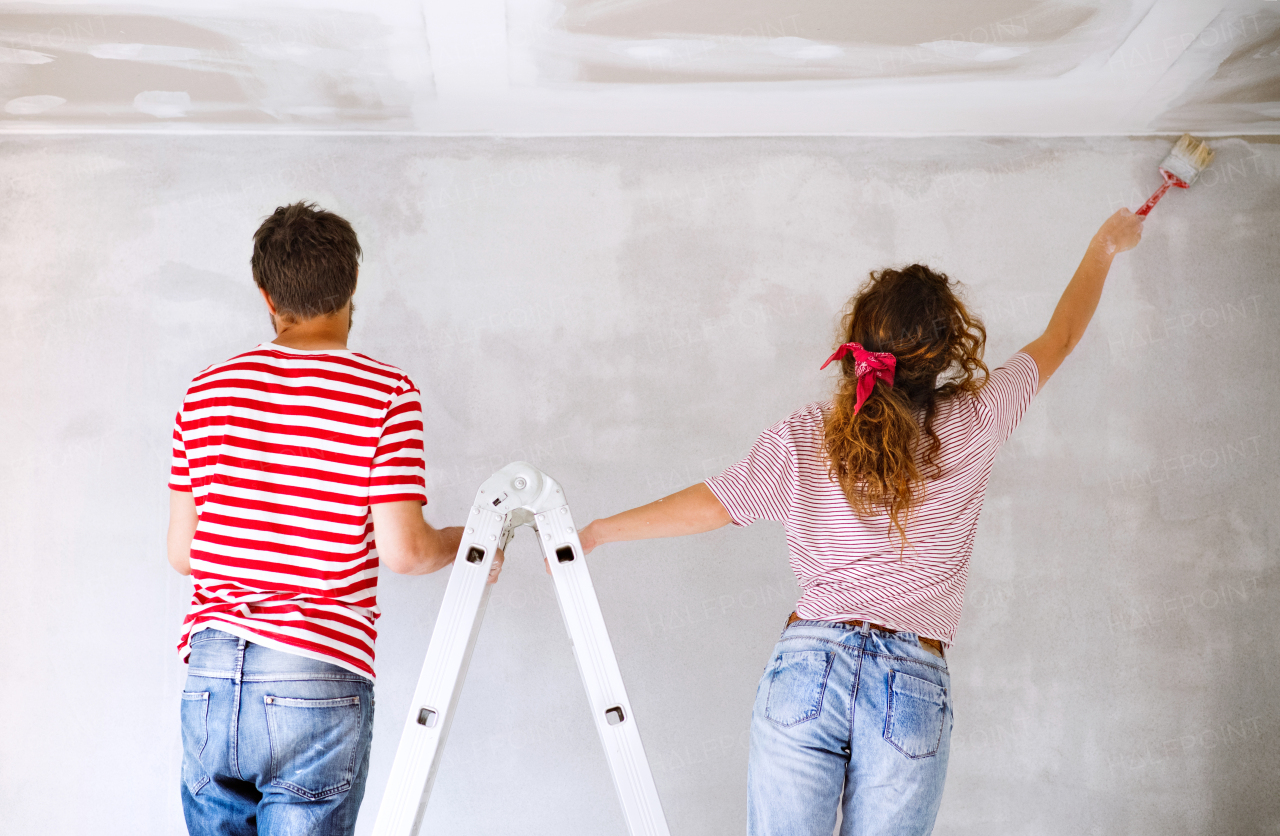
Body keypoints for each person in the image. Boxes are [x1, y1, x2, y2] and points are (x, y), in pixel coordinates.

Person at [577, 209, 1145, 836]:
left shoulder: (808, 437)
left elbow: (715, 504)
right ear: (945, 354)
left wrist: (599, 530)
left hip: (807, 665)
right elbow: (1059, 337)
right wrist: (1104, 245)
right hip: (912, 681)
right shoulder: (976, 422)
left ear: (856, 344)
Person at [165, 201, 500, 836]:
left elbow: (185, 552)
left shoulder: (204, 392)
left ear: (266, 295)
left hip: (210, 671)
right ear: (350, 286)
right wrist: (468, 542)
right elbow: (405, 552)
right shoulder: (385, 393)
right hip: (313, 669)